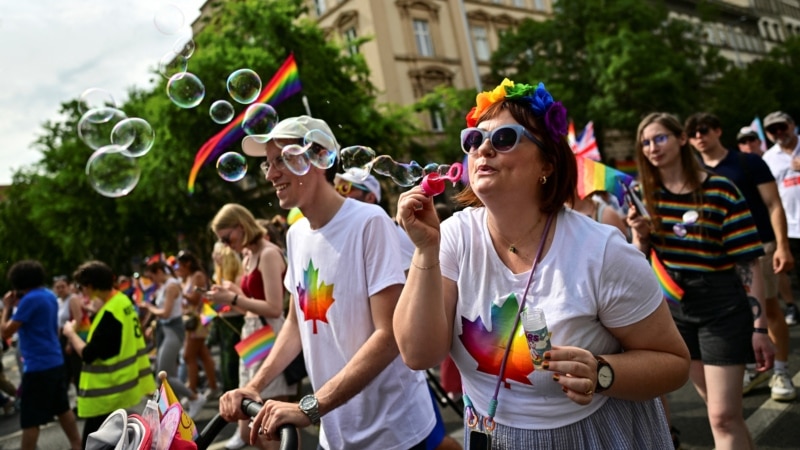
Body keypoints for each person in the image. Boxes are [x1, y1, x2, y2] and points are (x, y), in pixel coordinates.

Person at [394, 80, 689, 448]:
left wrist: (602, 372)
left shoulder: (600, 251)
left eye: (503, 138)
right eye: (473, 139)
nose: (483, 148)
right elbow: (418, 354)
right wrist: (425, 251)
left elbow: (673, 362)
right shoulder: (454, 237)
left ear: (547, 162)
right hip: (488, 435)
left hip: (588, 435)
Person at [218, 115, 437, 449]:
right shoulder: (295, 234)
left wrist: (310, 406)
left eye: (281, 161)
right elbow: (295, 322)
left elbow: (390, 334)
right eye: (268, 165)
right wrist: (256, 385)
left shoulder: (369, 222)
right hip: (335, 429)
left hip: (392, 430)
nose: (272, 174)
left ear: (317, 159)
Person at [629, 112, 774, 449]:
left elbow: (747, 264)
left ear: (681, 139)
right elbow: (638, 261)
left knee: (724, 416)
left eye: (660, 138)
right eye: (646, 142)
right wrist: (640, 236)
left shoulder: (720, 189)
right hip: (675, 311)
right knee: (717, 411)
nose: (652, 147)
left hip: (721, 308)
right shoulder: (642, 193)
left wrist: (760, 328)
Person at [686, 112, 796, 401]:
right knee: (735, 316)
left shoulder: (748, 163)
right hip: (716, 258)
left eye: (705, 129)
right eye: (693, 131)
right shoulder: (692, 169)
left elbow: (773, 204)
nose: (699, 135)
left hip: (758, 248)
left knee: (768, 309)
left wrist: (782, 245)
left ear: (719, 131)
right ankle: (750, 366)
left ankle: (782, 371)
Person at [208, 203, 297, 450]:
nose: (226, 244)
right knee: (250, 427)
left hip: (270, 334)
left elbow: (274, 307)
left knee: (270, 421)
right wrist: (229, 297)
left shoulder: (268, 253)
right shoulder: (249, 255)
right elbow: (252, 306)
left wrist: (233, 298)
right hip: (253, 335)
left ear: (241, 225)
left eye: (227, 237)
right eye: (222, 240)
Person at [62, 260, 156, 446]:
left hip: (107, 392)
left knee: (93, 445)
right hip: (122, 385)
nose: (82, 291)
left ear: (90, 286)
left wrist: (70, 333)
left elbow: (89, 354)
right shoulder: (121, 301)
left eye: (82, 287)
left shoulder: (110, 312)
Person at [1, 260, 82, 450]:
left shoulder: (30, 300)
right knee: (62, 407)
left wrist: (6, 307)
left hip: (37, 365)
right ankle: (77, 444)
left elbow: (5, 332)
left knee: (30, 419)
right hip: (54, 359)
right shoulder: (48, 295)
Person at [142, 259, 207, 418]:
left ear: (159, 272)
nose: (152, 281)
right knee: (165, 374)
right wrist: (150, 325)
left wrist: (148, 307)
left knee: (163, 374)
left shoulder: (171, 286)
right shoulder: (165, 286)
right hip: (165, 329)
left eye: (152, 277)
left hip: (173, 329)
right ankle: (170, 412)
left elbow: (165, 312)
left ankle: (195, 398)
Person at [762, 111, 800, 328]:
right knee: (787, 274)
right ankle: (792, 305)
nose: (778, 132)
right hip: (788, 228)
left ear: (792, 124)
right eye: (772, 130)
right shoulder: (768, 158)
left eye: (782, 127)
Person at [176, 250, 219, 398]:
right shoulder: (188, 277)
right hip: (192, 321)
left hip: (200, 320)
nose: (178, 268)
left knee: (189, 356)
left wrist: (179, 292)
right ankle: (213, 387)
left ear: (187, 263)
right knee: (202, 354)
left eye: (180, 265)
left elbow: (195, 299)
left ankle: (192, 391)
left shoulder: (198, 276)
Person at [208, 241, 245, 394]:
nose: (213, 256)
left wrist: (225, 300)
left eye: (216, 253)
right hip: (225, 323)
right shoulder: (219, 276)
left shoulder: (236, 277)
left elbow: (244, 307)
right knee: (226, 364)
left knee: (234, 365)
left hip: (237, 323)